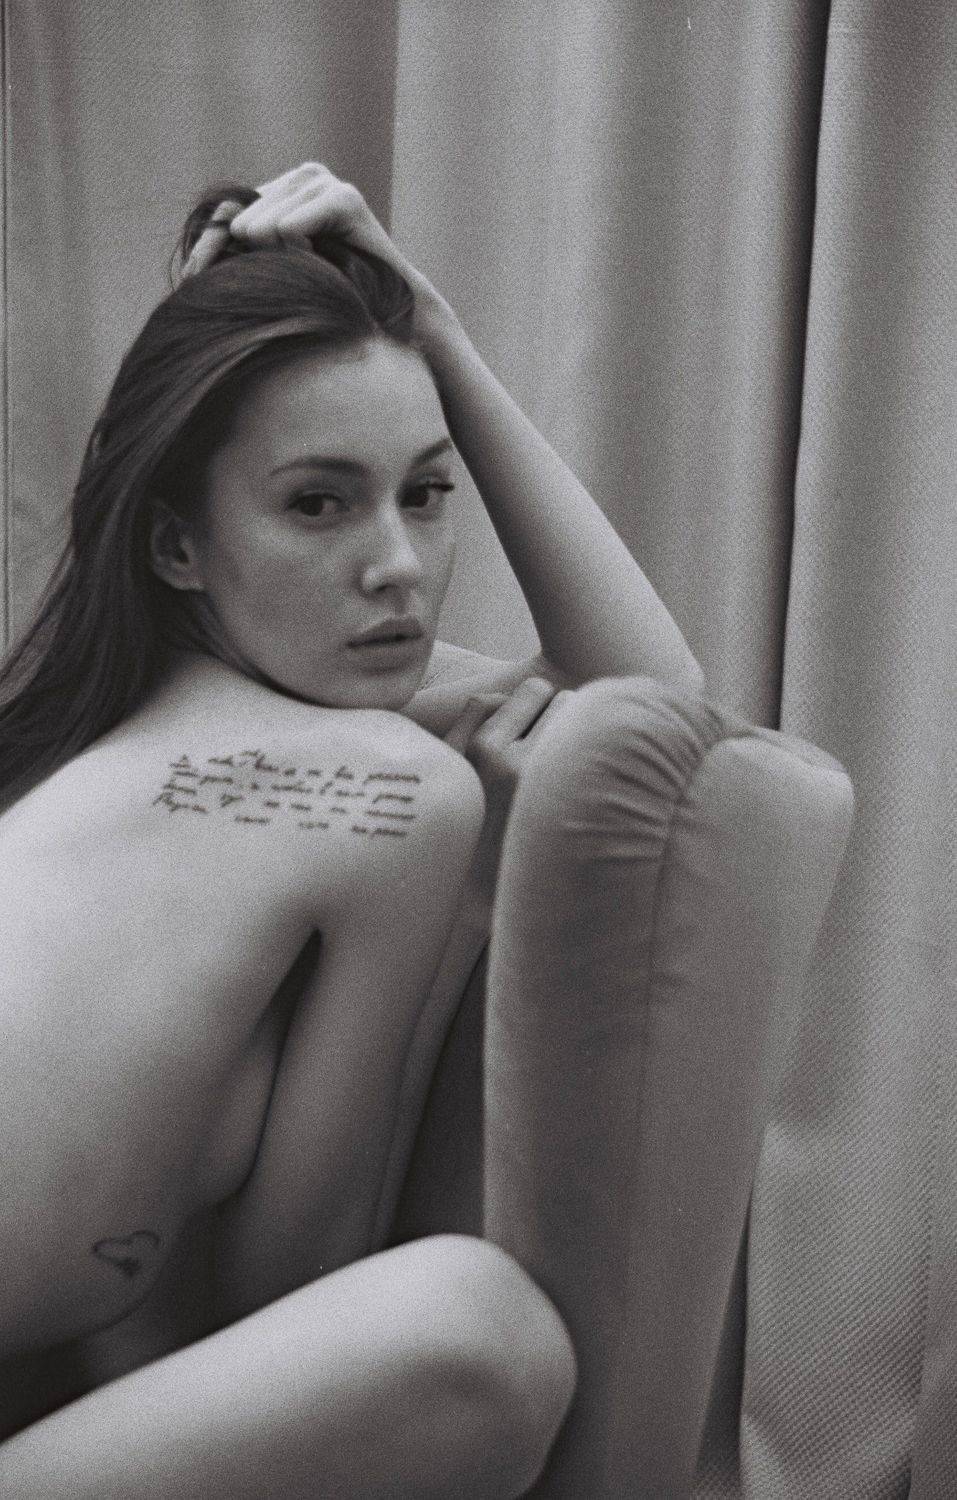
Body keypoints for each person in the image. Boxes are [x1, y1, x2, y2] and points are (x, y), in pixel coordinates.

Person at [0, 163, 703, 1498]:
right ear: (176, 547)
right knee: (484, 1335)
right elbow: (287, 1296)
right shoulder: (385, 786)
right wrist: (463, 898)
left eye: (427, 494)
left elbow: (650, 711)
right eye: (316, 504)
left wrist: (428, 329)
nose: (398, 566)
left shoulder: (115, 733)